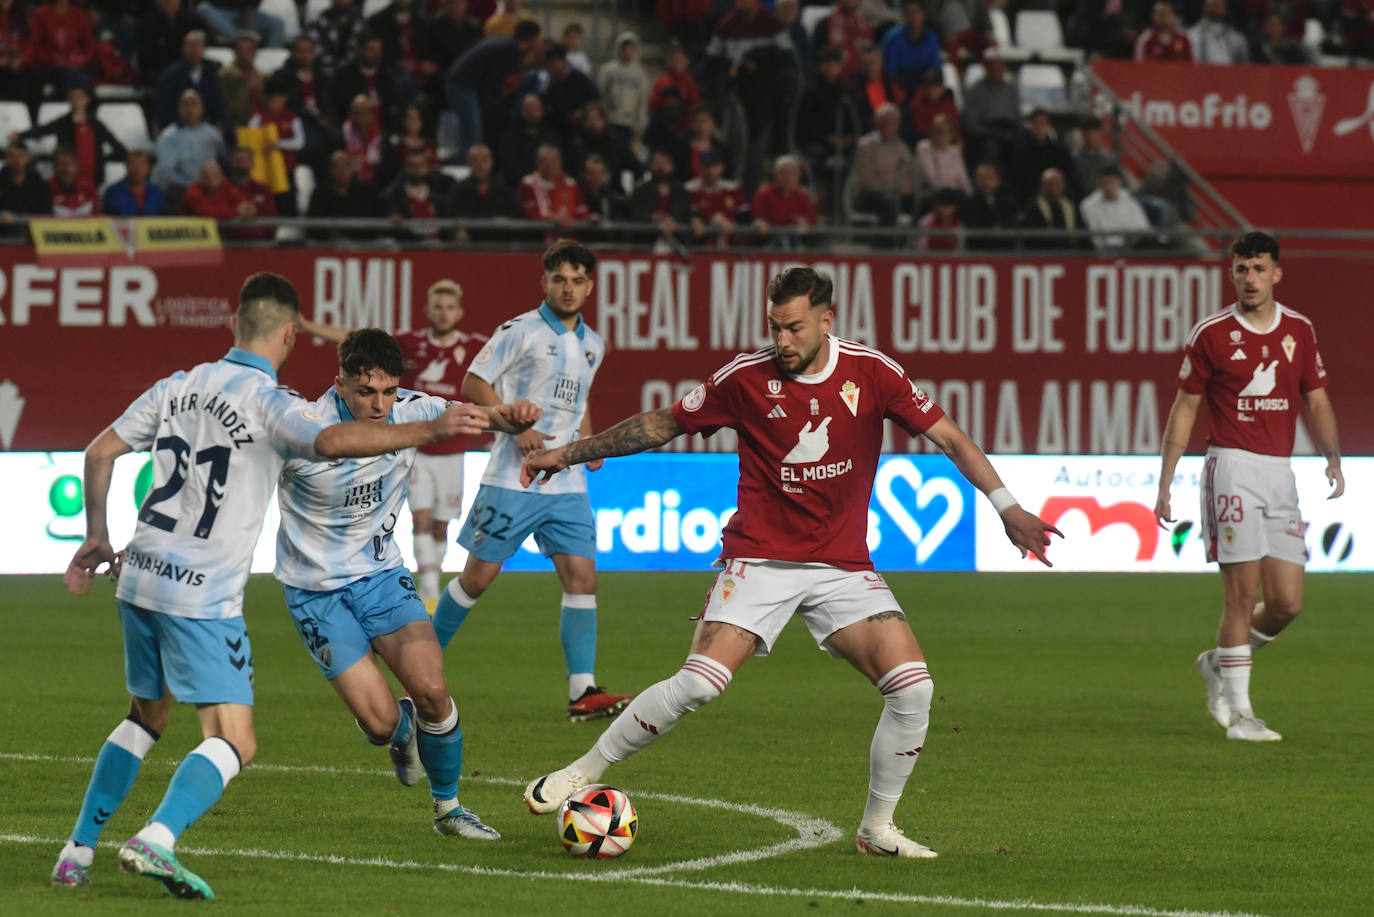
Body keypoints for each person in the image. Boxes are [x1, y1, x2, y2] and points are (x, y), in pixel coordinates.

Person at [519, 265, 1061, 858]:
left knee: (914, 691)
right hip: (760, 559)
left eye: (794, 328)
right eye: (773, 327)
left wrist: (1008, 507)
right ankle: (585, 770)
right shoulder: (745, 378)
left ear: (827, 320)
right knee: (700, 684)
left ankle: (876, 829)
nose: (781, 342)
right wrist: (565, 454)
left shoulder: (872, 372)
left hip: (843, 566)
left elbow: (952, 438)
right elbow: (660, 424)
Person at [49, 272, 492, 898]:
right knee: (234, 739)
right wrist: (430, 432)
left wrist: (98, 535)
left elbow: (98, 452)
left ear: (234, 323)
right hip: (203, 593)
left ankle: (75, 852)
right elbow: (333, 441)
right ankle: (156, 840)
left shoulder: (177, 386)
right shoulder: (275, 403)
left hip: (141, 570)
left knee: (144, 718)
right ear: (290, 334)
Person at [274, 329, 538, 840]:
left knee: (434, 691)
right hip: (315, 590)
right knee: (378, 725)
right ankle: (398, 733)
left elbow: (476, 416)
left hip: (380, 575)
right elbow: (341, 445)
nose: (379, 404)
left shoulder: (416, 408)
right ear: (340, 384)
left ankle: (450, 810)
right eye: (365, 392)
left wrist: (512, 416)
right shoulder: (303, 427)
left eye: (389, 391)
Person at [432, 240, 633, 722]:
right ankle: (417, 659)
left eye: (578, 280)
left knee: (582, 577)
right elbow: (474, 384)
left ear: (589, 286)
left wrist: (588, 448)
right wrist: (514, 424)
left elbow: (580, 401)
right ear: (545, 282)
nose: (569, 288)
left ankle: (582, 691)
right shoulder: (519, 331)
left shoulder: (593, 344)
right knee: (477, 579)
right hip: (512, 477)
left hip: (566, 481)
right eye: (560, 279)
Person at [1155, 232, 1344, 743]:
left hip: (1280, 472)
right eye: (1241, 269)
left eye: (1259, 269)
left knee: (1286, 603)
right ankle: (1240, 715)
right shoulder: (1211, 333)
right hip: (1231, 466)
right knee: (1241, 596)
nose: (1250, 279)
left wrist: (1332, 456)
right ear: (1231, 274)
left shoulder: (1299, 331)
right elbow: (1185, 407)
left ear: (1277, 274)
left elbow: (1317, 399)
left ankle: (1218, 663)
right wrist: (1166, 482)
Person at [302, 281, 490, 605]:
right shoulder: (408, 342)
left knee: (441, 525)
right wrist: (306, 325)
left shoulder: (474, 345)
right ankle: (430, 592)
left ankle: (432, 576)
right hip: (414, 445)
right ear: (427, 310)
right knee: (423, 518)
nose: (443, 313)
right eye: (437, 306)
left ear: (459, 312)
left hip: (451, 449)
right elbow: (354, 340)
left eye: (449, 307)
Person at [14, 80, 125, 186]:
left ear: (87, 99)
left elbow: (114, 143)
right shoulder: (63, 122)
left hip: (93, 179)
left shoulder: (96, 125)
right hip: (68, 179)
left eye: (79, 97)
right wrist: (20, 135)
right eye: (73, 97)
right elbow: (44, 130)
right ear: (69, 100)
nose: (76, 100)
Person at [152, 89, 227, 209]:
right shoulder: (169, 136)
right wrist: (195, 187)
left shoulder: (213, 133)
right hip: (179, 190)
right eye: (185, 104)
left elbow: (223, 160)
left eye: (194, 103)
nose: (189, 108)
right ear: (179, 109)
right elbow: (167, 172)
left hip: (208, 188)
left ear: (202, 108)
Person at [1079, 164, 1152, 252]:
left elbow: (1143, 228)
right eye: (1105, 183)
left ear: (1119, 183)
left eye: (1112, 182)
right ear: (1099, 184)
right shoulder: (1088, 205)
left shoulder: (1129, 200)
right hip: (1106, 250)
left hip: (1133, 247)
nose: (1109, 187)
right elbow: (1096, 239)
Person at [102, 149, 168, 216]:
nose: (137, 169)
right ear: (126, 166)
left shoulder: (157, 192)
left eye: (141, 164)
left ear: (148, 168)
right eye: (133, 164)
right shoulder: (113, 192)